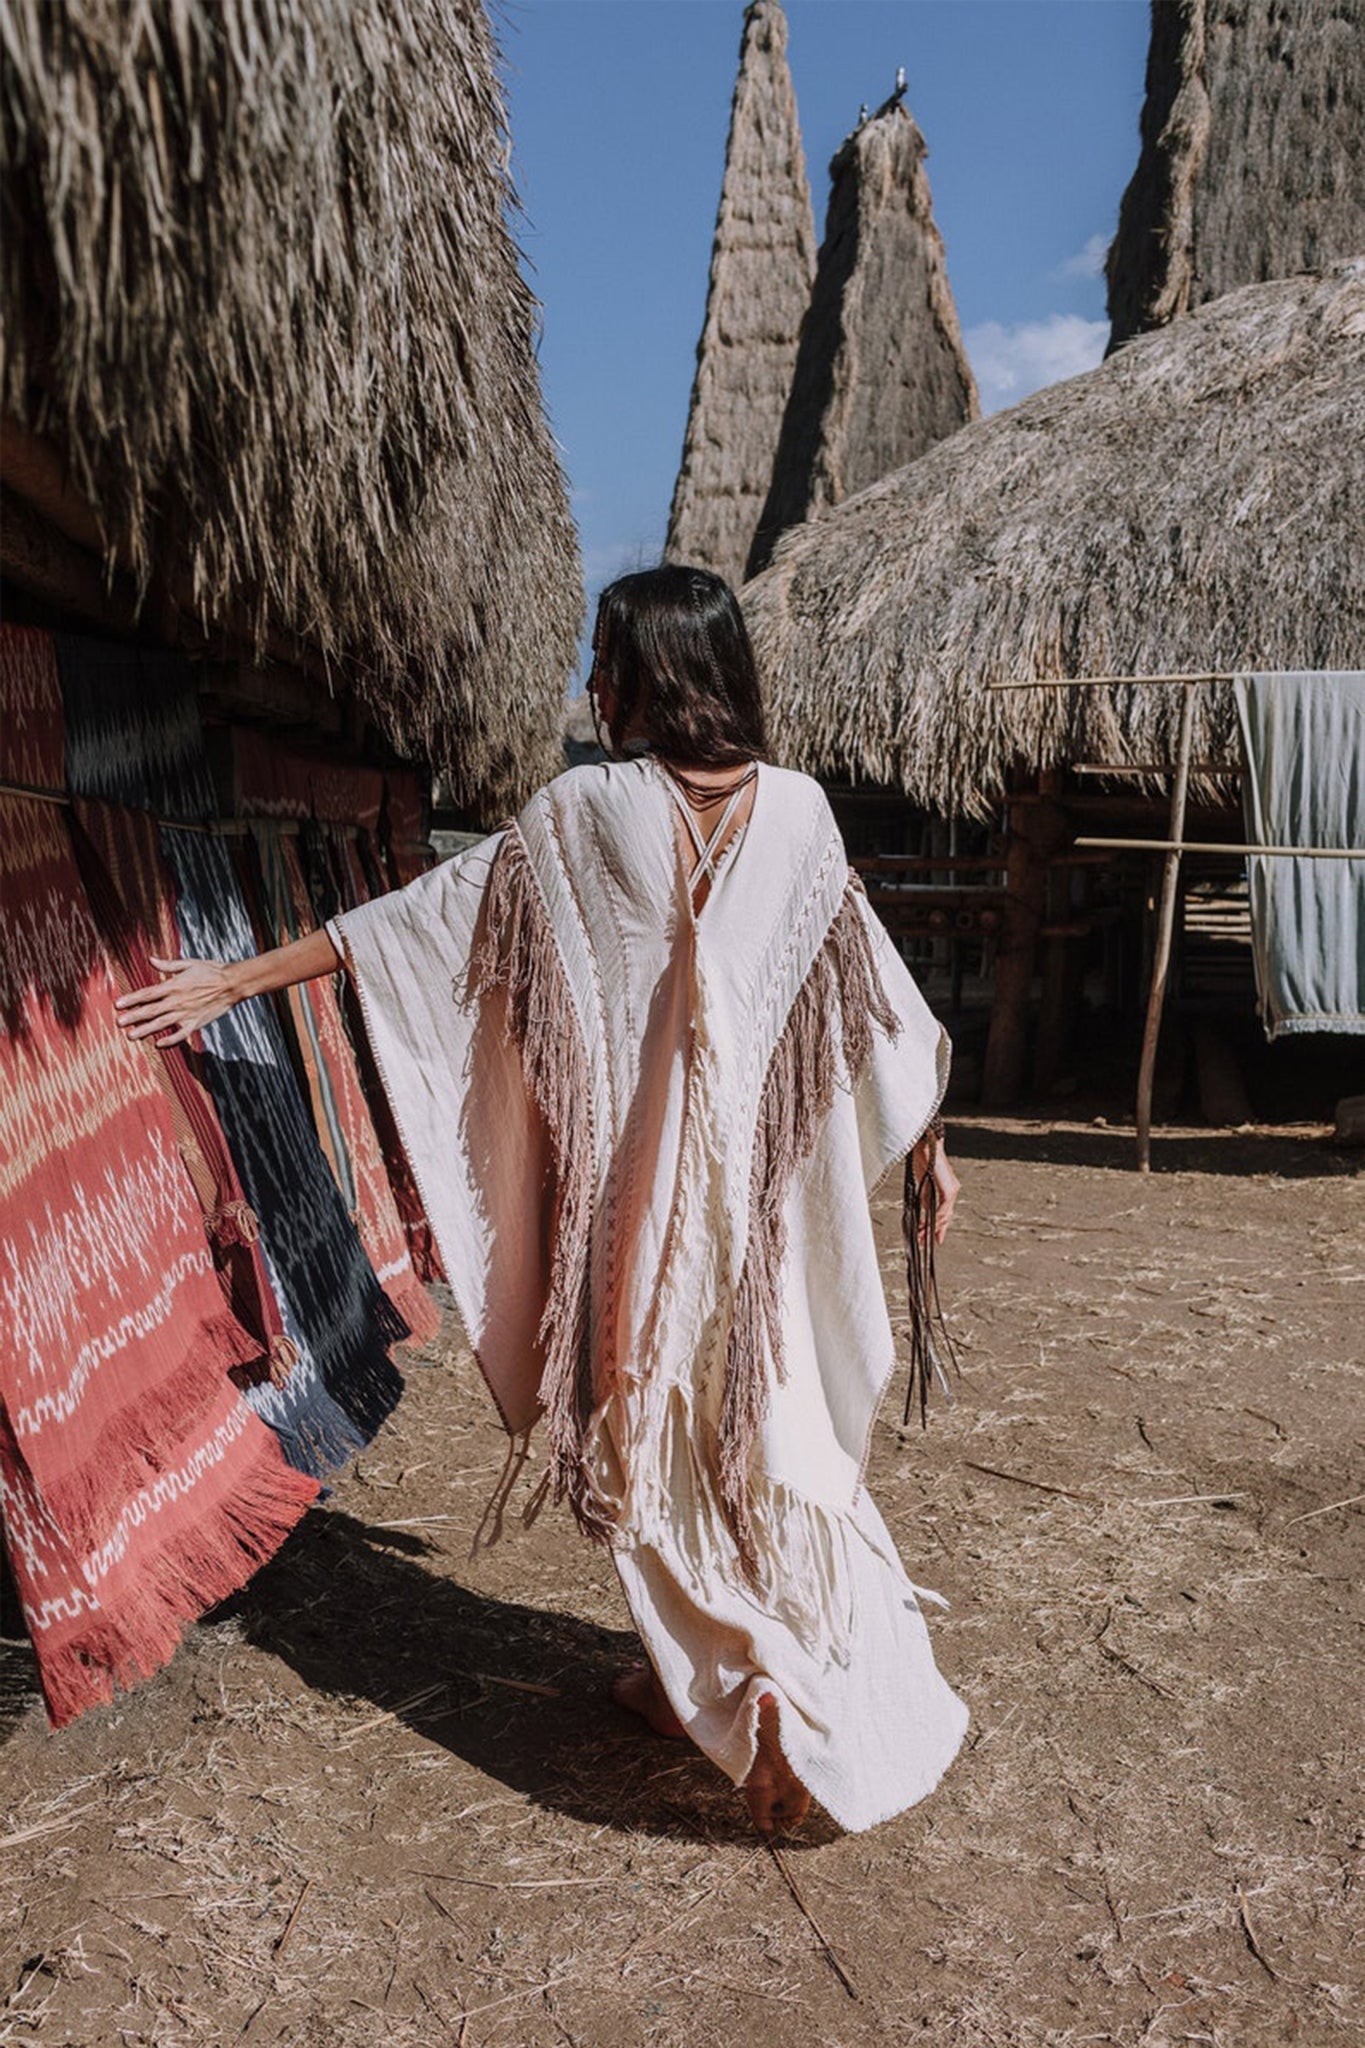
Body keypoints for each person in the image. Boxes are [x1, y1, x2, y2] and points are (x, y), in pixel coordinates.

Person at [115, 564, 967, 1834]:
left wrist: (241, 979)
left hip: (638, 1209)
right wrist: (929, 1148)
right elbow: (871, 996)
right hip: (757, 1216)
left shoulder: (590, 807)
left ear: (646, 673)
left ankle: (759, 1694)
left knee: (646, 1426)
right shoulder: (801, 812)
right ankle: (714, 1684)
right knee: (771, 1429)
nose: (592, 679)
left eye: (605, 656)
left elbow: (421, 921)